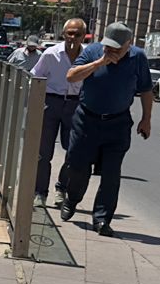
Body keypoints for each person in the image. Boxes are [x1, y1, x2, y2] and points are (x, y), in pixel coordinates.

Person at [56, 21, 154, 236]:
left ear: (129, 44)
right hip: (86, 120)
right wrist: (99, 63)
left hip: (117, 123)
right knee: (78, 166)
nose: (113, 51)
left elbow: (146, 90)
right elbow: (71, 76)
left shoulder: (138, 58)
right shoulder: (92, 52)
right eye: (109, 46)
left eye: (118, 48)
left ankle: (101, 219)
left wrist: (146, 119)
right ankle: (72, 198)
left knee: (111, 174)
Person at [30, 19, 87, 202]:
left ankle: (61, 187)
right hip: (51, 103)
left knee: (74, 151)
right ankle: (40, 193)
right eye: (69, 33)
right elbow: (35, 77)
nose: (72, 37)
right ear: (63, 34)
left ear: (83, 36)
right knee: (43, 152)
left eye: (77, 34)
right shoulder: (51, 54)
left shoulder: (88, 56)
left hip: (75, 105)